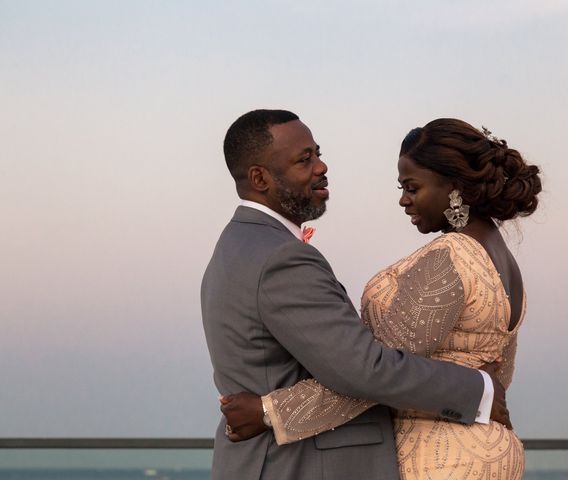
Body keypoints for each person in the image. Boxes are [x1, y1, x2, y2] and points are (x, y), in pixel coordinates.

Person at [219, 117, 542, 479]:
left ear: (452, 186)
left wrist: (269, 411)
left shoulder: (448, 258)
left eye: (412, 187)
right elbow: (498, 370)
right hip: (492, 450)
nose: (404, 200)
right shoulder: (500, 259)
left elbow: (373, 375)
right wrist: (481, 390)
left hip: (439, 457)